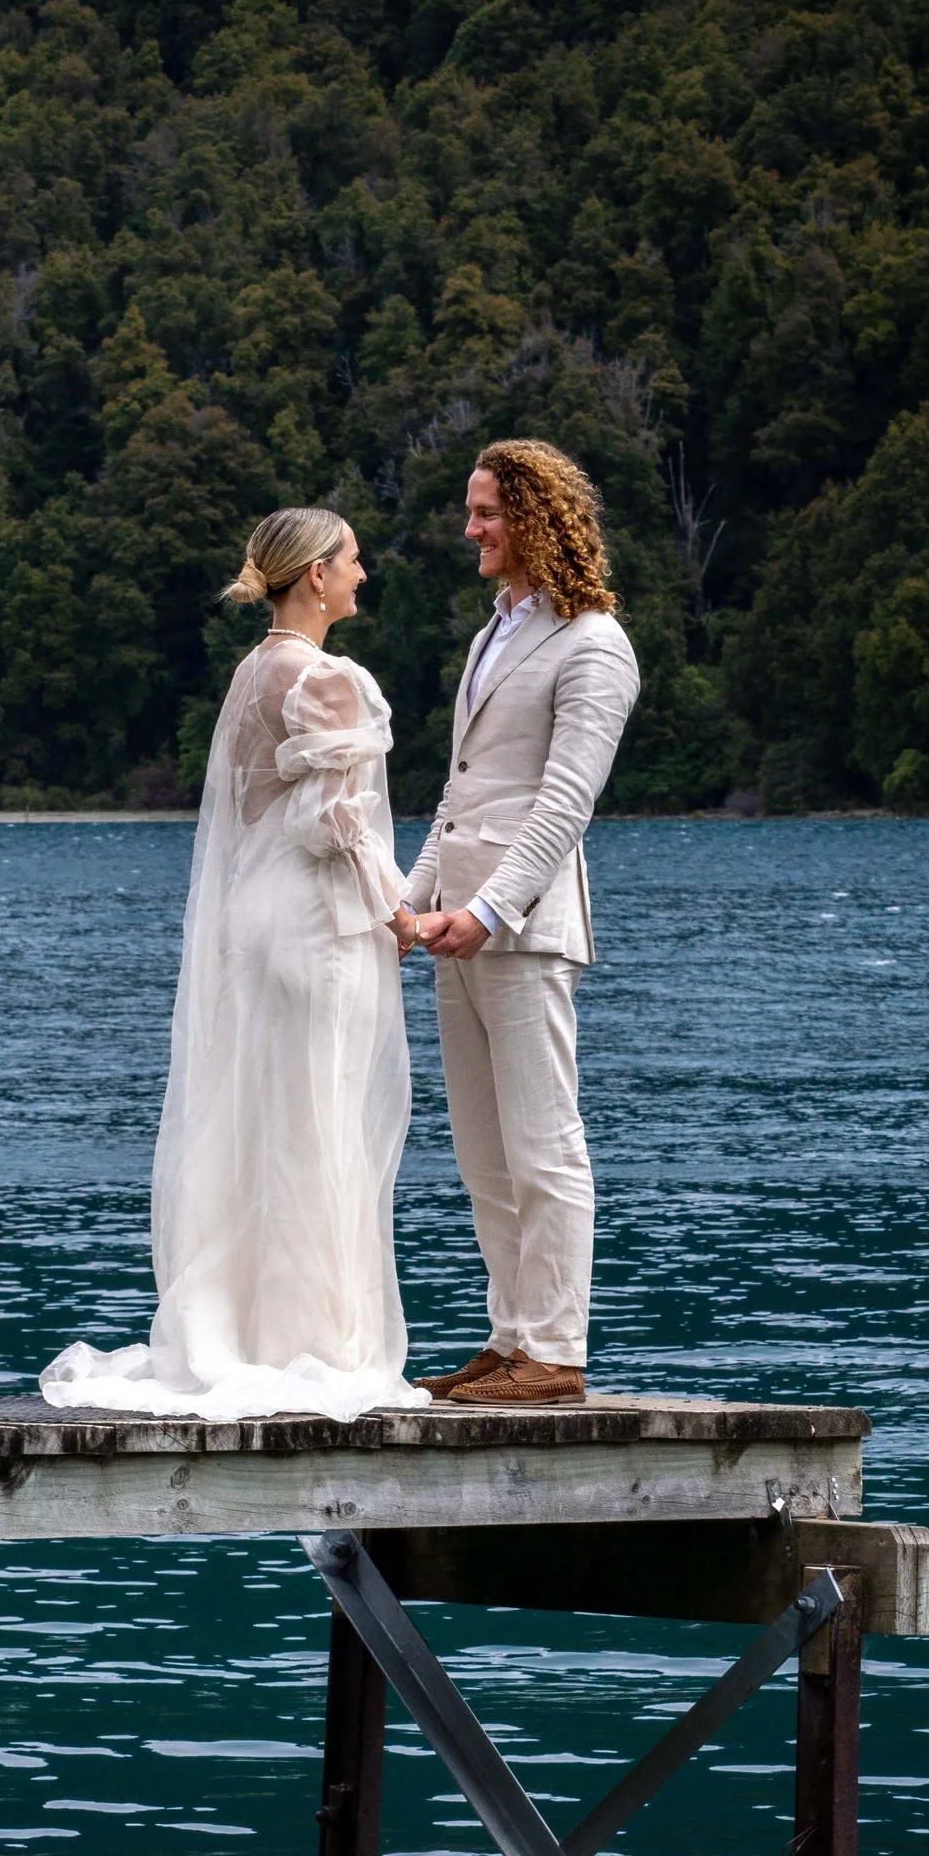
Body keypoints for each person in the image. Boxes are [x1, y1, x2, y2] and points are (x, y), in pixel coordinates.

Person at [42, 506, 427, 1416]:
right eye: (354, 562)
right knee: (321, 1127)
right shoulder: (325, 679)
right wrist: (403, 911)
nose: (363, 576)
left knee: (266, 1125)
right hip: (314, 926)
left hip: (258, 924)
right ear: (315, 578)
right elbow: (337, 824)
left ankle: (253, 1329)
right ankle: (318, 1345)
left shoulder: (253, 673)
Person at [406, 438, 641, 1406]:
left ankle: (554, 1351)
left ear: (537, 517)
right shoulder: (494, 630)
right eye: (472, 510)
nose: (471, 529)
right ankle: (509, 1342)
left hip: (522, 930)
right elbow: (462, 799)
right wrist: (410, 903)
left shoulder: (593, 644)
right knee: (481, 1151)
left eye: (487, 512)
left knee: (543, 1145)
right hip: (458, 924)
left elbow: (563, 803)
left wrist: (490, 912)